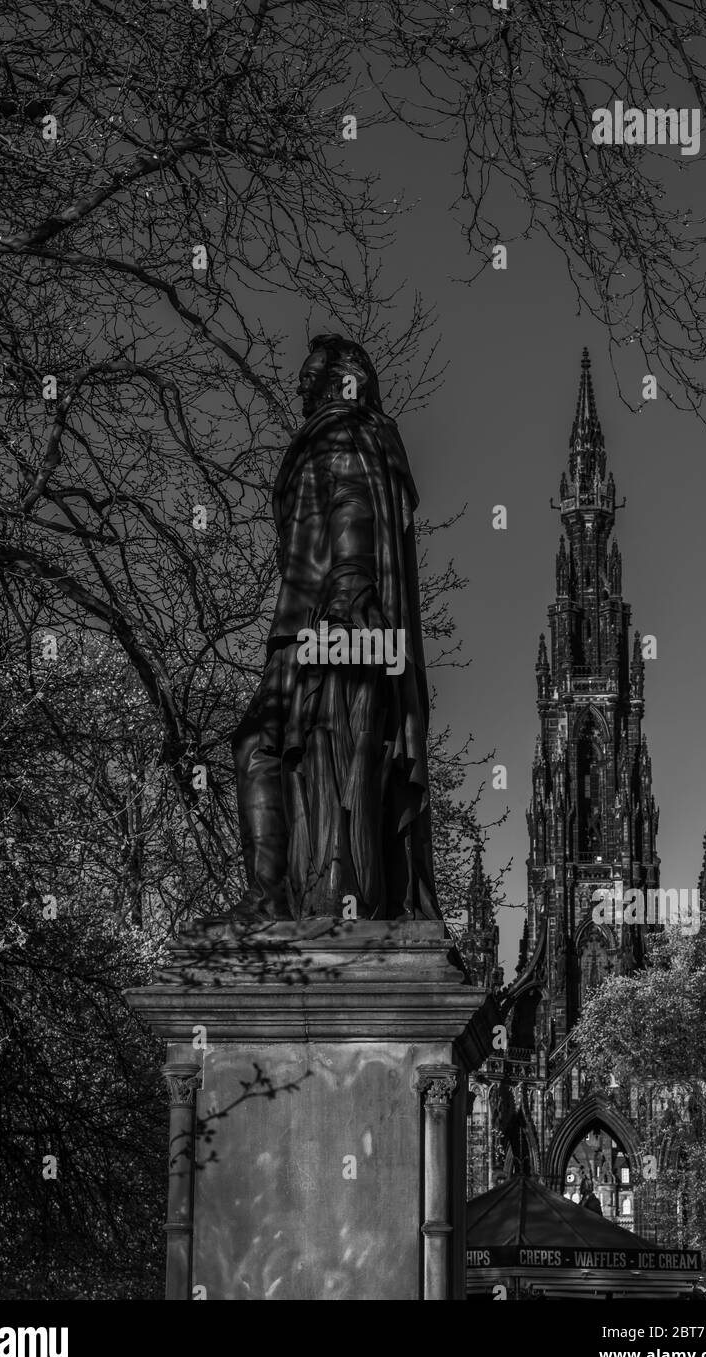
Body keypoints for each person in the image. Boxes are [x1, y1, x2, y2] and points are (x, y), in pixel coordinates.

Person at [230, 335, 440, 922]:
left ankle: (311, 894)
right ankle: (280, 893)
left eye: (307, 375)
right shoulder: (343, 430)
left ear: (340, 379)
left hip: (330, 618)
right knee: (273, 743)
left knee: (304, 742)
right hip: (309, 620)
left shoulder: (340, 429)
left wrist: (350, 581)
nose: (297, 386)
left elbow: (352, 502)